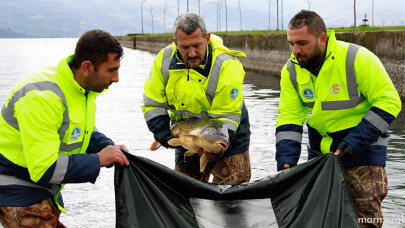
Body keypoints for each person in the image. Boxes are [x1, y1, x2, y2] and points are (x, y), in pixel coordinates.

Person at [275, 10, 401, 227]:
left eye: (302, 43)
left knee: (365, 220)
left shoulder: (357, 58)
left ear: (322, 39)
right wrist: (287, 160)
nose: (295, 51)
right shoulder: (291, 70)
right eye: (291, 43)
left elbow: (389, 102)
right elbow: (289, 117)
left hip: (363, 152)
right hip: (319, 157)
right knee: (322, 219)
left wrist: (354, 143)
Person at [0, 29, 130, 227]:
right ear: (87, 67)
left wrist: (109, 148)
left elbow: (82, 132)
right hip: (18, 192)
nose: (116, 78)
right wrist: (97, 160)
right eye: (111, 70)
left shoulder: (82, 89)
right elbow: (44, 168)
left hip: (43, 191)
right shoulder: (43, 97)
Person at [142, 13, 251, 184]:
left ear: (207, 38)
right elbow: (152, 104)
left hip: (227, 135)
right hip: (188, 137)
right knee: (185, 196)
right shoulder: (163, 61)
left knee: (232, 200)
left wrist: (213, 145)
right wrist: (164, 135)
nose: (192, 53)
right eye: (185, 47)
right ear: (175, 42)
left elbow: (227, 114)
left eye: (197, 45)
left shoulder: (226, 64)